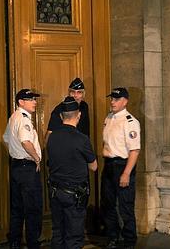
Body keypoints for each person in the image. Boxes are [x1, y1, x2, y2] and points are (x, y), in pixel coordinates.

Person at [47, 96, 97, 249]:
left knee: (58, 233)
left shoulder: (51, 137)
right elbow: (94, 166)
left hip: (55, 192)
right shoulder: (82, 139)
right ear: (79, 115)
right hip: (74, 195)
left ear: (61, 116)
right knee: (74, 237)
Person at [3, 88, 43, 249]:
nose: (34, 102)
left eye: (34, 99)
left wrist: (15, 154)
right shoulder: (24, 119)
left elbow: (6, 139)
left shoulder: (14, 117)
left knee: (17, 208)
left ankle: (15, 242)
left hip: (16, 166)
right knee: (33, 209)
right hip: (27, 168)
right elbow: (26, 142)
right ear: (21, 102)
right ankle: (33, 244)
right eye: (31, 99)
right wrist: (36, 158)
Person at [101, 87, 140, 249]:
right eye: (112, 99)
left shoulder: (130, 122)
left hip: (122, 166)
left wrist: (126, 173)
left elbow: (134, 150)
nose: (112, 102)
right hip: (109, 165)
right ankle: (113, 237)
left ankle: (130, 240)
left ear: (125, 101)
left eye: (116, 99)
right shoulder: (109, 117)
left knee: (125, 206)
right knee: (108, 204)